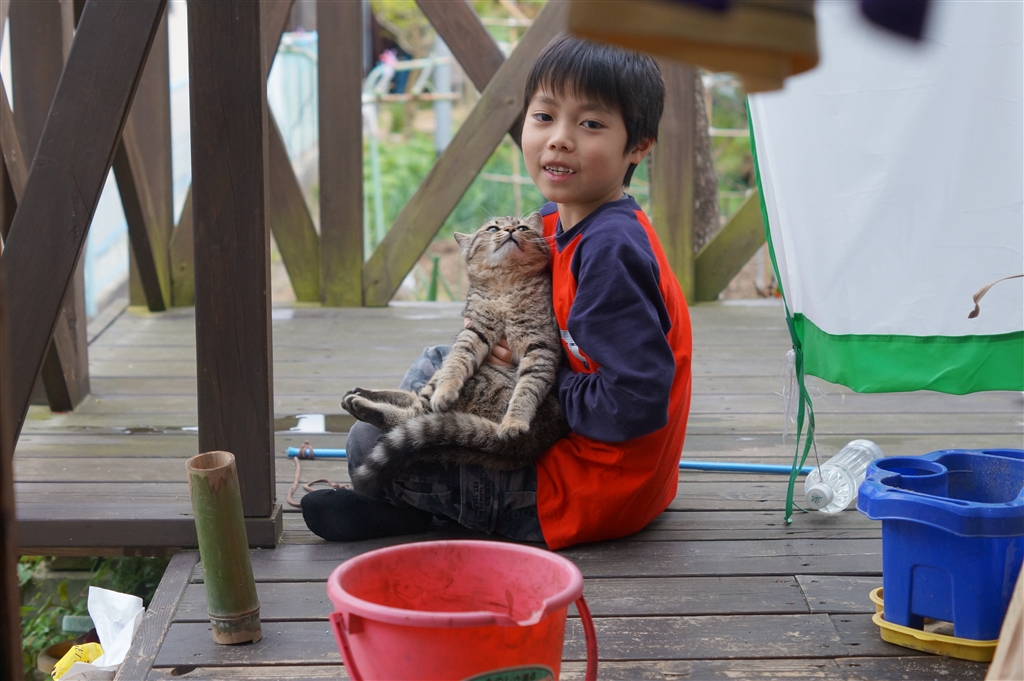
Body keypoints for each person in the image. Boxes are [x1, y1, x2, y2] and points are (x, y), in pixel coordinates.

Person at [302, 34, 692, 550]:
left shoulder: (610, 251)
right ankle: (410, 492)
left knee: (367, 441)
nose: (560, 139)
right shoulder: (556, 221)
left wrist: (541, 375)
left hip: (584, 487)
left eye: (591, 124)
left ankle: (406, 505)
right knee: (438, 360)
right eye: (544, 116)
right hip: (577, 448)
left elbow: (636, 403)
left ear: (639, 145)